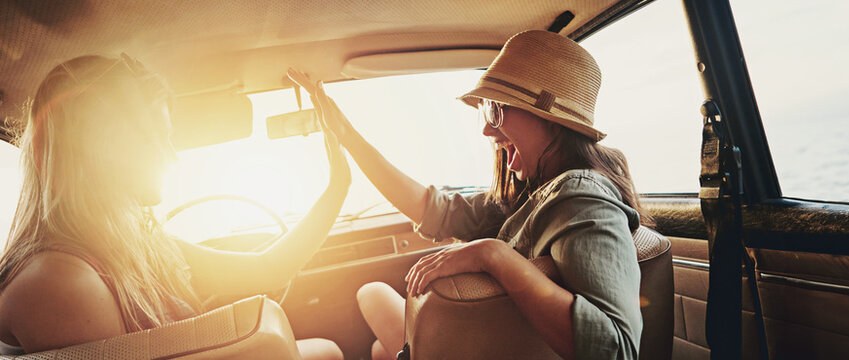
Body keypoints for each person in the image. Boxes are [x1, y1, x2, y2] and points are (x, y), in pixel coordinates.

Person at [289, 30, 648, 360]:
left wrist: (494, 256)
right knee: (380, 347)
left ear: (551, 118)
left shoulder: (580, 199)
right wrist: (346, 135)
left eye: (496, 109)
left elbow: (616, 350)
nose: (488, 130)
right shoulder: (532, 197)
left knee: (370, 294)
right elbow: (431, 208)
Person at [0, 54, 350, 359]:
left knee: (327, 350)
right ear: (107, 144)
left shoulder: (134, 242)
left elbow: (267, 269)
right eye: (159, 135)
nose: (172, 155)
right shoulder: (61, 282)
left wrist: (339, 185)